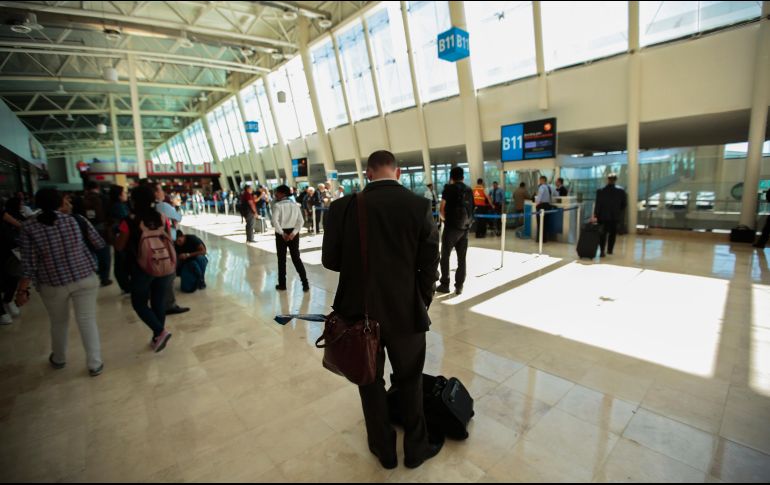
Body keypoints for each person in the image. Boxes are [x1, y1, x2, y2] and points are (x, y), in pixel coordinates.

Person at [322, 150, 442, 470]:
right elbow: (430, 264)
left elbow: (330, 261)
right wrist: (422, 300)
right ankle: (416, 449)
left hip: (357, 311)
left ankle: (383, 449)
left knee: (369, 380)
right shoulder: (419, 206)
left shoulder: (342, 207)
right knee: (410, 379)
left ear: (368, 174)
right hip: (406, 312)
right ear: (398, 172)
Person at [16, 188, 105, 376]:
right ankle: (94, 364)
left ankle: (59, 358)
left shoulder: (28, 227)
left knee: (58, 322)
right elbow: (99, 243)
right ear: (59, 202)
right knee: (87, 320)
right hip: (84, 276)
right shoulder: (75, 220)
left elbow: (29, 264)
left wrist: (22, 290)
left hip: (52, 282)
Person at [114, 185, 174, 352]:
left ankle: (160, 332)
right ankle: (157, 336)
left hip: (142, 267)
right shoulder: (162, 217)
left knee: (139, 303)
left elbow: (120, 246)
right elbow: (169, 238)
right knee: (158, 301)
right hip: (163, 264)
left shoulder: (129, 220)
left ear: (134, 200)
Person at [150, 182, 189, 316]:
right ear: (155, 193)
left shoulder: (147, 207)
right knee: (169, 273)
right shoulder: (163, 206)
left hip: (151, 245)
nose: (163, 193)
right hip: (165, 242)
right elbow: (178, 217)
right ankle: (168, 304)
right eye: (160, 190)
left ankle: (158, 302)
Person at [436, 167, 473, 295]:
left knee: (445, 256)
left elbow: (441, 209)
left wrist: (445, 220)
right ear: (463, 177)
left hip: (451, 228)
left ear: (451, 177)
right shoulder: (469, 190)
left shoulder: (448, 188)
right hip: (465, 228)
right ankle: (459, 286)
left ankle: (445, 284)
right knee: (461, 258)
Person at [271, 185, 309, 292]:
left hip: (281, 234)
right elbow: (300, 221)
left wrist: (282, 233)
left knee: (281, 259)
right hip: (294, 234)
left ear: (283, 193)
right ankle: (305, 283)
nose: (275, 194)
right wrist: (293, 233)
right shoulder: (295, 205)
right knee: (296, 258)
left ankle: (282, 285)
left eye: (277, 192)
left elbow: (275, 221)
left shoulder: (277, 206)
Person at [81, 181, 113, 287]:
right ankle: (105, 278)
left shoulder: (81, 199)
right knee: (104, 253)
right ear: (97, 187)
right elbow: (109, 213)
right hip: (102, 228)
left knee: (90, 252)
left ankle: (93, 273)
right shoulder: (104, 198)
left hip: (86, 228)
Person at [592, 173, 627, 257]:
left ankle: (602, 251)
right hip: (614, 217)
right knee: (612, 234)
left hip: (602, 217)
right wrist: (618, 212)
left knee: (602, 234)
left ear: (607, 179)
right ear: (615, 180)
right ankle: (610, 250)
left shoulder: (600, 191)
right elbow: (624, 204)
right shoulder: (621, 191)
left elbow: (598, 204)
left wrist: (596, 215)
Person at [0, 199, 23, 324]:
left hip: (6, 246)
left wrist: (20, 225)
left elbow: (3, 214)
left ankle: (7, 300)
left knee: (13, 275)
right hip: (6, 243)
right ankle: (1, 311)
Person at [108, 185, 131, 294]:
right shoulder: (119, 207)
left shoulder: (114, 205)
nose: (126, 195)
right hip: (122, 236)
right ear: (119, 195)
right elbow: (127, 221)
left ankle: (125, 285)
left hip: (117, 236)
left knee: (120, 262)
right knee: (122, 262)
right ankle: (126, 285)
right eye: (124, 193)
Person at [535, 175, 555, 243]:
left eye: (540, 180)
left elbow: (539, 196)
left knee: (540, 223)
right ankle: (545, 239)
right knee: (545, 223)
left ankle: (540, 239)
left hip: (542, 206)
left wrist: (537, 204)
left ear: (542, 180)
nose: (539, 181)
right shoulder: (550, 187)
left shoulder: (542, 187)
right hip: (548, 205)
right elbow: (556, 194)